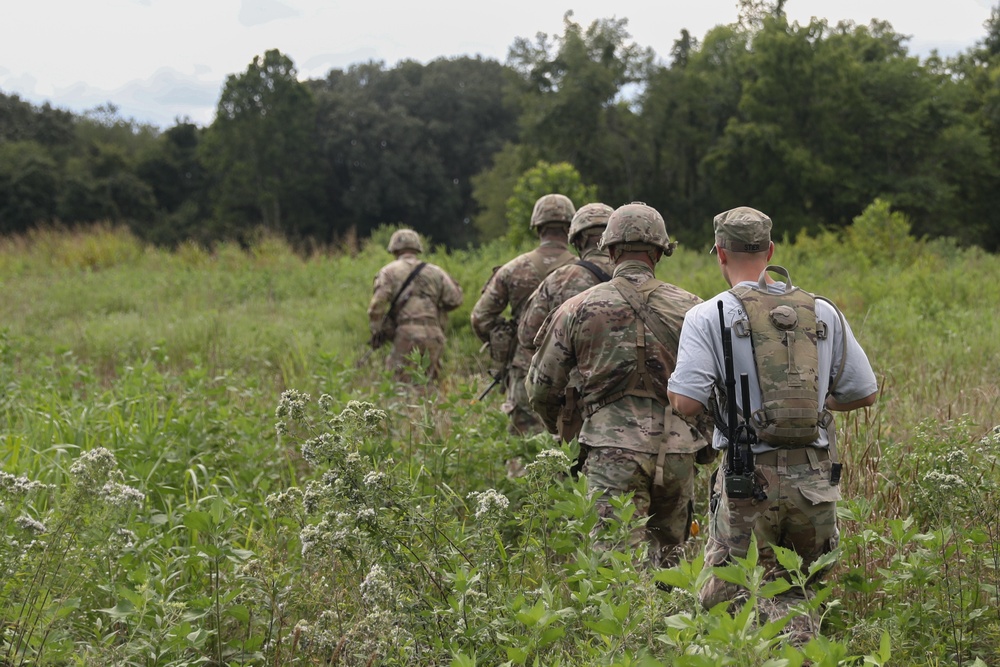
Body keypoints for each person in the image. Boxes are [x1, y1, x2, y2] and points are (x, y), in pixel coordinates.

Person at [666, 206, 878, 644]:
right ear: (771, 249)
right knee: (801, 587)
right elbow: (865, 392)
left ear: (720, 253)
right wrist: (816, 405)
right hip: (815, 479)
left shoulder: (710, 315)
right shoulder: (823, 312)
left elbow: (686, 402)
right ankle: (800, 649)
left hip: (748, 478)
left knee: (731, 592)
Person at [525, 202, 708, 569]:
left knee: (613, 570)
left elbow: (541, 389)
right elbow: (718, 387)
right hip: (677, 451)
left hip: (610, 452)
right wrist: (703, 443)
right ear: (659, 251)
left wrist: (565, 433)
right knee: (672, 567)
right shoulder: (694, 308)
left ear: (610, 250)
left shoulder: (577, 308)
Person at [471, 193, 577, 435]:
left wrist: (505, 338)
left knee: (522, 445)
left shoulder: (513, 269)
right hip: (572, 369)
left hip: (524, 368)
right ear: (570, 227)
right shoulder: (584, 270)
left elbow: (480, 317)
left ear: (537, 226)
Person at [518, 202, 615, 444]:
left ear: (578, 240)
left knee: (574, 478)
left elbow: (527, 335)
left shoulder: (561, 279)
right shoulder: (639, 275)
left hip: (578, 407)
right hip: (639, 410)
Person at [367, 229, 463, 381]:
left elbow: (377, 306)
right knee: (430, 384)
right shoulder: (436, 271)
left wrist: (377, 331)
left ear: (394, 249)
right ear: (417, 248)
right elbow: (455, 299)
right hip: (434, 334)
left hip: (406, 334)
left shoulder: (389, 271)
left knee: (399, 384)